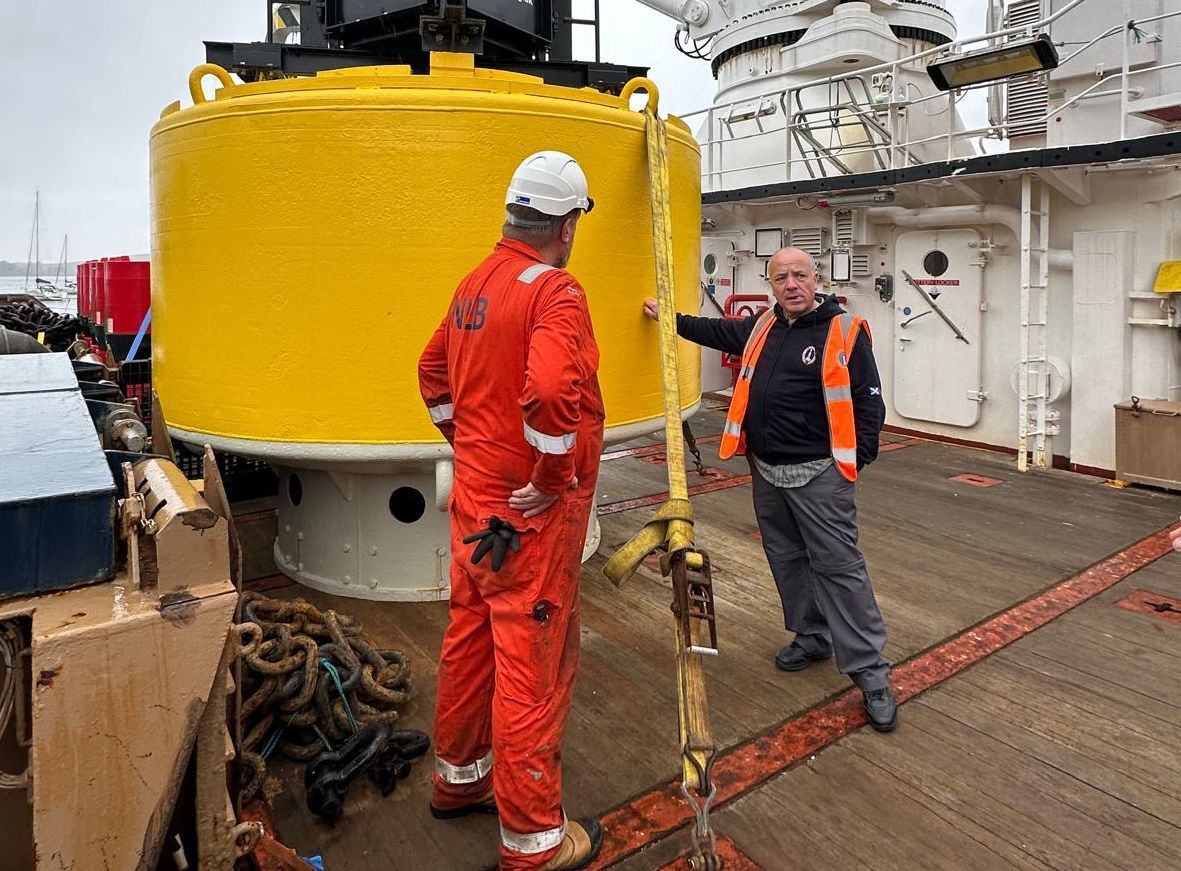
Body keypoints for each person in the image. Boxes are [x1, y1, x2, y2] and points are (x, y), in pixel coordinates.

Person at [418, 150, 605, 871]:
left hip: (475, 502)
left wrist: (466, 443)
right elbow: (553, 392)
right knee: (531, 667)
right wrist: (551, 476)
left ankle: (457, 779)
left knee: (469, 637)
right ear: (566, 225)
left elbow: (431, 373)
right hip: (527, 516)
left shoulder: (474, 282)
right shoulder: (555, 292)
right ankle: (533, 841)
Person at [642, 246, 898, 732]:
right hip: (766, 470)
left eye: (800, 275)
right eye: (781, 278)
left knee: (840, 569)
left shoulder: (844, 330)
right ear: (771, 285)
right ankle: (812, 635)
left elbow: (869, 403)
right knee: (787, 559)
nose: (792, 284)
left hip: (820, 474)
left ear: (816, 278)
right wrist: (668, 318)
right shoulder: (763, 325)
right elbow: (716, 331)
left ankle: (872, 674)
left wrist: (851, 465)